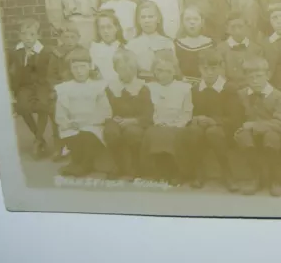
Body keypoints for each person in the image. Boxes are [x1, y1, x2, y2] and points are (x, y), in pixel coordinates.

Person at [54, 48, 116, 177]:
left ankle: (83, 165)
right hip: (73, 126)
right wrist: (68, 123)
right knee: (76, 137)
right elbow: (60, 114)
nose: (79, 71)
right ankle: (79, 163)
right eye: (75, 67)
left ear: (90, 67)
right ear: (70, 69)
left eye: (83, 67)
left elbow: (106, 111)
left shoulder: (97, 87)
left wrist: (90, 121)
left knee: (87, 135)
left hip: (93, 125)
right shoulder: (65, 88)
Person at [186, 50, 242, 190]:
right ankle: (199, 172)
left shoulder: (229, 89)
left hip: (224, 129)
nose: (209, 72)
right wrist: (197, 118)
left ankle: (226, 172)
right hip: (201, 128)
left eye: (213, 68)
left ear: (220, 68)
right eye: (205, 69)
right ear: (199, 69)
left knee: (213, 132)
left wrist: (214, 121)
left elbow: (235, 118)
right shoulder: (195, 89)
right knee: (193, 131)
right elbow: (190, 112)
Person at [234, 56, 281, 197]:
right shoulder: (242, 94)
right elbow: (237, 118)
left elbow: (279, 123)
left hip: (271, 132)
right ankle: (254, 177)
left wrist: (254, 125)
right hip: (249, 134)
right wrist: (244, 127)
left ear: (268, 75)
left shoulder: (278, 96)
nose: (255, 81)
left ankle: (275, 178)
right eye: (251, 77)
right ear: (245, 78)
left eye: (259, 76)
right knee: (243, 136)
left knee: (271, 138)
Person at [144, 50, 193, 184]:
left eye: (167, 71)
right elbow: (149, 110)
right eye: (159, 70)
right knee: (155, 134)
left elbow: (187, 111)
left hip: (177, 124)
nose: (163, 74)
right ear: (154, 71)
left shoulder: (184, 88)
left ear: (174, 71)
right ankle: (160, 170)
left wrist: (178, 124)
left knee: (174, 136)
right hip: (158, 123)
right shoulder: (149, 87)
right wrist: (158, 122)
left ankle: (176, 171)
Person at [103, 49, 154, 180]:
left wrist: (131, 121)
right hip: (116, 120)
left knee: (132, 133)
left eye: (131, 68)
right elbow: (106, 109)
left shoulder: (142, 87)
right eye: (122, 68)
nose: (127, 72)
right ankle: (119, 165)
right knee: (110, 132)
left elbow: (148, 114)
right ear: (115, 69)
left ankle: (136, 166)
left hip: (136, 121)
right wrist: (113, 118)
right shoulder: (111, 87)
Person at [9, 18, 51, 159]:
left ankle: (38, 140)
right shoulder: (17, 51)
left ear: (38, 36)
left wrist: (34, 61)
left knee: (44, 105)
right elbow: (15, 73)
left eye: (32, 34)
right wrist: (14, 91)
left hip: (41, 84)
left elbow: (46, 72)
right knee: (22, 107)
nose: (28, 38)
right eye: (24, 34)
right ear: (20, 36)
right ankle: (38, 136)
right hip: (25, 85)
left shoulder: (44, 51)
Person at [47, 21, 83, 160]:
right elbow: (50, 76)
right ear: (61, 39)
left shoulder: (82, 51)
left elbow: (88, 71)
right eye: (66, 37)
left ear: (78, 38)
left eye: (73, 37)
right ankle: (59, 144)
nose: (69, 41)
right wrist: (59, 89)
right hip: (61, 89)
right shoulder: (56, 54)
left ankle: (78, 144)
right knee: (55, 109)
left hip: (79, 87)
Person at [125, 0, 174, 80]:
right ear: (138, 20)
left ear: (158, 19)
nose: (147, 21)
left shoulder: (167, 43)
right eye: (143, 17)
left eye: (150, 17)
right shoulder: (131, 45)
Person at [216, 11, 263, 91]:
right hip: (227, 91)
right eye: (233, 27)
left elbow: (259, 73)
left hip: (251, 90)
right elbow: (220, 74)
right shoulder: (220, 49)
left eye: (240, 26)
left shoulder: (256, 49)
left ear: (247, 27)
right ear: (227, 29)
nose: (237, 30)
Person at [174, 5, 215, 85]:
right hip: (182, 85)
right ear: (182, 22)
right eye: (187, 19)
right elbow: (175, 69)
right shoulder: (177, 44)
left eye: (196, 19)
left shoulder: (210, 44)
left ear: (202, 22)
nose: (192, 22)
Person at [89, 10, 125, 83]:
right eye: (102, 27)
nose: (105, 31)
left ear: (116, 28)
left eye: (109, 27)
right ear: (98, 30)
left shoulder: (124, 47)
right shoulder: (94, 48)